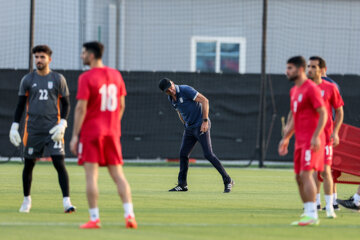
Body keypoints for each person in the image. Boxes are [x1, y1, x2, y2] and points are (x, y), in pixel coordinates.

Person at [70, 41, 137, 229]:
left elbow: (81, 108)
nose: (82, 56)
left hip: (91, 133)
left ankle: (94, 218)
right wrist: (114, 124)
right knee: (118, 175)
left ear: (91, 55)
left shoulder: (86, 77)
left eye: (83, 53)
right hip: (112, 132)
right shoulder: (116, 75)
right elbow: (122, 105)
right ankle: (129, 215)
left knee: (91, 176)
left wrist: (75, 135)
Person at [9, 45, 75, 213]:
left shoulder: (58, 79)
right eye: (36, 57)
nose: (39, 60)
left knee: (59, 163)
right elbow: (19, 105)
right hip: (33, 130)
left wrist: (63, 123)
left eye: (42, 57)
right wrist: (15, 126)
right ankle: (26, 200)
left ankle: (67, 202)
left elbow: (66, 104)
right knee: (29, 165)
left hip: (53, 131)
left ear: (49, 59)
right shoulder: (27, 80)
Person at [158, 78, 234, 193]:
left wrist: (204, 121)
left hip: (200, 124)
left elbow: (205, 101)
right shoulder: (171, 98)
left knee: (208, 154)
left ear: (173, 83)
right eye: (168, 90)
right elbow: (179, 111)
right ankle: (182, 184)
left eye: (171, 87)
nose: (171, 91)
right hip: (189, 128)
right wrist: (185, 124)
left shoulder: (185, 89)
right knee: (183, 154)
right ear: (165, 92)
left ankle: (228, 180)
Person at [279, 56, 327, 226]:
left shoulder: (310, 88)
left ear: (300, 70)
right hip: (299, 141)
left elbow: (323, 113)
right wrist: (286, 138)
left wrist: (316, 136)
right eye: (287, 68)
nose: (287, 71)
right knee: (299, 178)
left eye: (290, 68)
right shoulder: (294, 90)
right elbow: (294, 117)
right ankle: (308, 212)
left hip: (311, 141)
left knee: (306, 175)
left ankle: (313, 214)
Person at [307, 56, 344, 218]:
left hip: (325, 136)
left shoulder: (330, 88)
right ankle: (315, 203)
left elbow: (340, 111)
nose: (311, 69)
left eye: (314, 67)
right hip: (308, 136)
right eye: (309, 66)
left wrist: (335, 132)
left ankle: (330, 206)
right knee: (311, 171)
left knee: (326, 170)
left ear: (322, 70)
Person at [320, 61, 341, 210]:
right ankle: (332, 202)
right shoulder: (334, 84)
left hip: (324, 132)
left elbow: (337, 110)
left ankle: (317, 203)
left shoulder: (328, 85)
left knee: (321, 169)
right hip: (330, 130)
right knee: (329, 168)